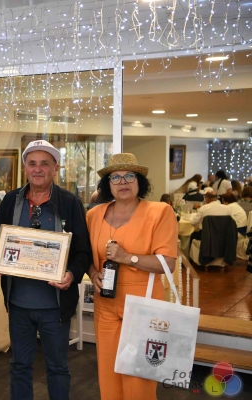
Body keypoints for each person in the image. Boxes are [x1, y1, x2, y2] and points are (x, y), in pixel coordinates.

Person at [0, 140, 92, 400]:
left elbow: (83, 252)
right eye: (32, 163)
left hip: (55, 307)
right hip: (18, 304)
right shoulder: (11, 200)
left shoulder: (69, 202)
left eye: (44, 164)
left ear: (55, 168)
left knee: (57, 368)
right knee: (19, 366)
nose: (38, 169)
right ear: (25, 168)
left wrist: (71, 274)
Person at [86, 153, 178, 400]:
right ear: (107, 185)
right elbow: (85, 255)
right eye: (115, 177)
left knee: (139, 379)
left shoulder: (160, 212)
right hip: (105, 303)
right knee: (108, 374)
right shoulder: (94, 215)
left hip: (144, 305)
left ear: (139, 181)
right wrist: (93, 273)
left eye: (129, 176)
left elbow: (168, 263)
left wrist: (128, 258)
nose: (123, 182)